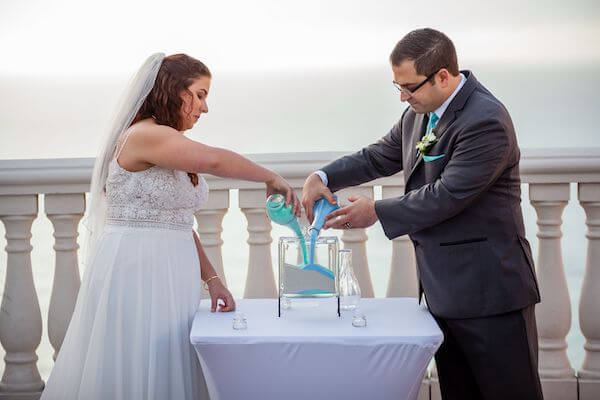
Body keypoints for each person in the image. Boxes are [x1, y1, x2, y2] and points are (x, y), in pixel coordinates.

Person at [302, 28, 543, 400]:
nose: (402, 97)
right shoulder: (419, 114)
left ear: (443, 76)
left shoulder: (485, 120)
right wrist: (323, 176)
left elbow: (447, 195)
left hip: (492, 292)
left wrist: (376, 212)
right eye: (396, 86)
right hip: (442, 291)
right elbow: (379, 156)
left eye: (409, 87)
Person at [41, 53, 299, 400]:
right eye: (200, 94)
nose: (204, 108)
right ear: (174, 90)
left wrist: (213, 279)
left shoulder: (166, 141)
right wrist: (271, 177)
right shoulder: (144, 135)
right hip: (138, 270)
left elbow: (175, 221)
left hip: (170, 269)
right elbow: (214, 160)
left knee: (166, 364)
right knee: (139, 363)